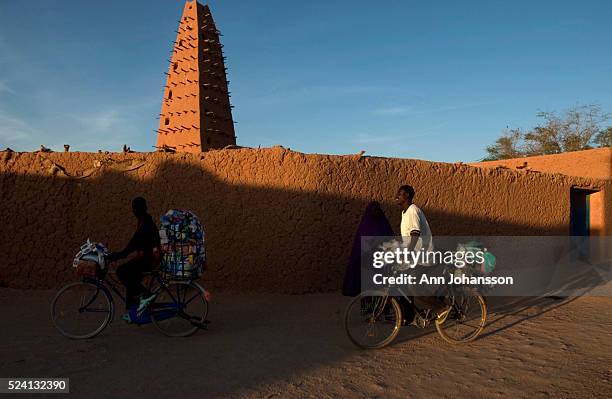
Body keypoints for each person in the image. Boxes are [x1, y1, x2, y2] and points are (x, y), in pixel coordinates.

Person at [395, 185, 447, 318]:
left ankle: (440, 307)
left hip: (424, 256)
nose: (396, 196)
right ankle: (411, 314)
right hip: (416, 256)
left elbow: (415, 234)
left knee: (414, 287)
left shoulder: (412, 211)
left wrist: (407, 252)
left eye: (399, 194)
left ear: (406, 195)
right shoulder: (405, 212)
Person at [107, 197, 161, 322]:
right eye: (134, 207)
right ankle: (134, 311)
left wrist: (120, 255)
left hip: (149, 260)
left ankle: (147, 296)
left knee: (122, 271)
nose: (135, 210)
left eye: (137, 207)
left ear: (143, 209)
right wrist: (121, 254)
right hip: (146, 258)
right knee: (131, 280)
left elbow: (134, 243)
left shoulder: (146, 224)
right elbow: (135, 243)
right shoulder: (143, 221)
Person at [343, 201, 394, 296]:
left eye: (377, 210)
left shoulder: (383, 223)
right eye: (374, 210)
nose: (375, 212)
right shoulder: (366, 224)